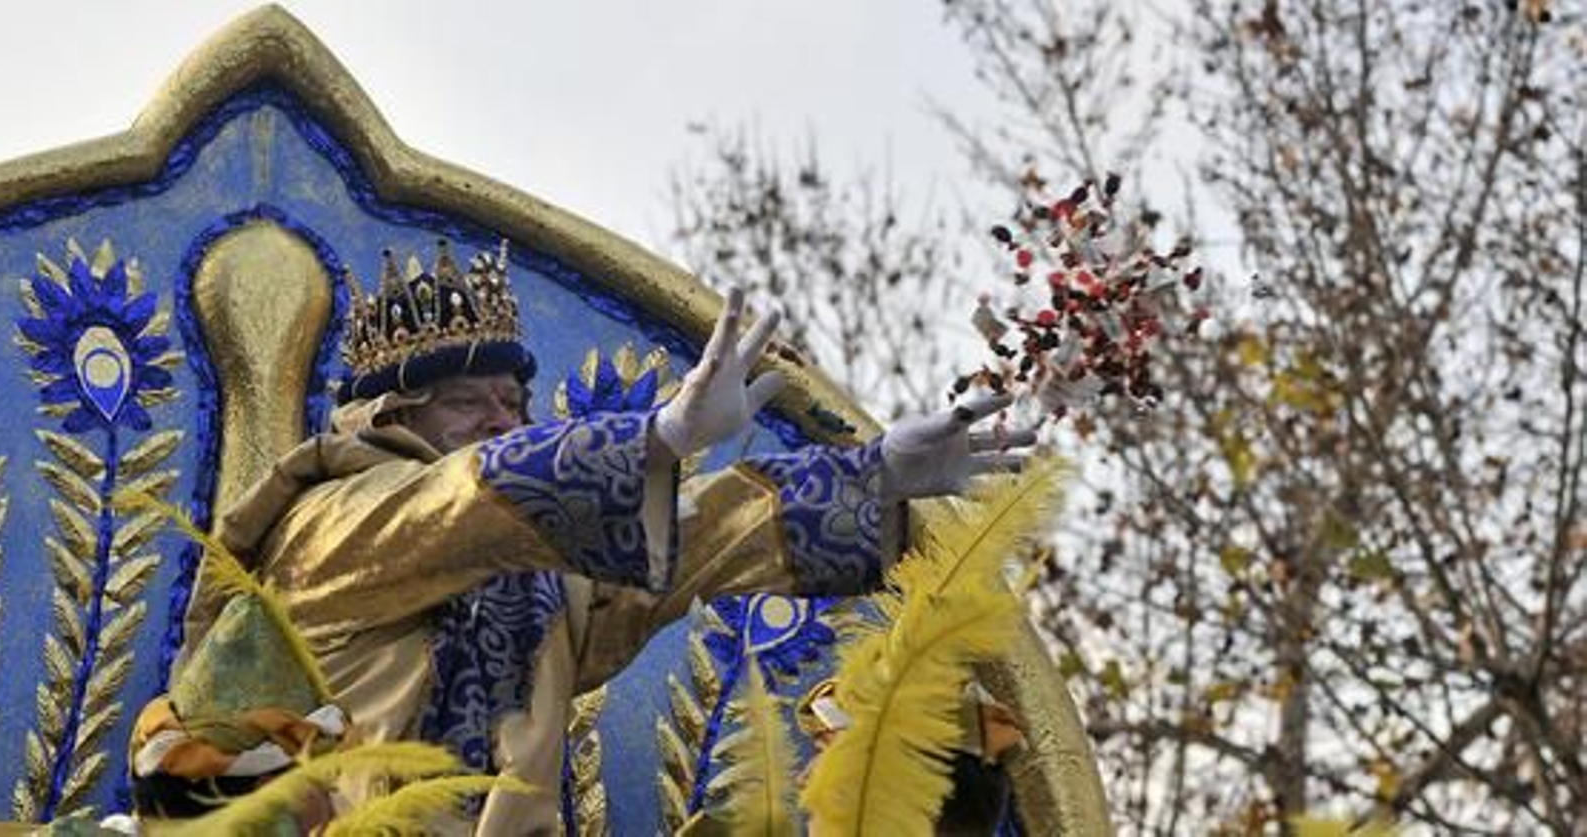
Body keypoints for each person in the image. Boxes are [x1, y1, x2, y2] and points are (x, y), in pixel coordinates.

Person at [177, 240, 1032, 835]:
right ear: (392, 416)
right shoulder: (338, 520)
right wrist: (659, 436)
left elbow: (696, 534)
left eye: (513, 403)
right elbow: (458, 503)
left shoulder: (539, 576)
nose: (498, 420)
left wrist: (879, 470)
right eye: (469, 401)